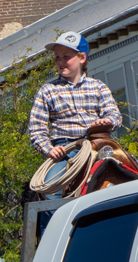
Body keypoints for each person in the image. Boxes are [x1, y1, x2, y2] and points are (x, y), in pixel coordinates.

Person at [28, 31, 121, 167]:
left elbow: (114, 115)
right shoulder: (48, 90)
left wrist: (107, 121)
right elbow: (36, 129)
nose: (60, 61)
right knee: (49, 185)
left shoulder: (97, 86)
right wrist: (50, 149)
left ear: (82, 58)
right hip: (65, 150)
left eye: (66, 57)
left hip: (98, 144)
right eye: (57, 57)